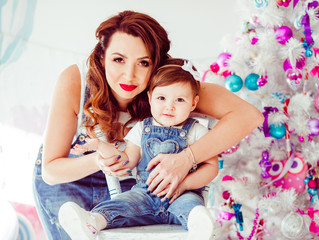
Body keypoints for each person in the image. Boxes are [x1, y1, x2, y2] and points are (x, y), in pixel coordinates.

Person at [32, 10, 264, 240]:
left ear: (156, 63)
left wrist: (186, 158)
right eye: (118, 59)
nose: (129, 75)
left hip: (133, 187)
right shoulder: (76, 80)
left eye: (143, 63)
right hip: (69, 183)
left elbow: (248, 116)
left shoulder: (170, 87)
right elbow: (51, 171)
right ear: (102, 57)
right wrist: (98, 160)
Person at [58, 59, 219, 239]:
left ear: (193, 103)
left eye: (180, 99)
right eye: (161, 98)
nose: (169, 106)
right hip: (144, 195)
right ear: (150, 98)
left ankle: (198, 227)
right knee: (121, 203)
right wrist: (100, 147)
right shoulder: (142, 128)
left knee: (192, 207)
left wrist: (185, 185)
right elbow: (127, 162)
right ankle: (92, 221)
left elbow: (211, 167)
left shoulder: (197, 131)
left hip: (182, 195)